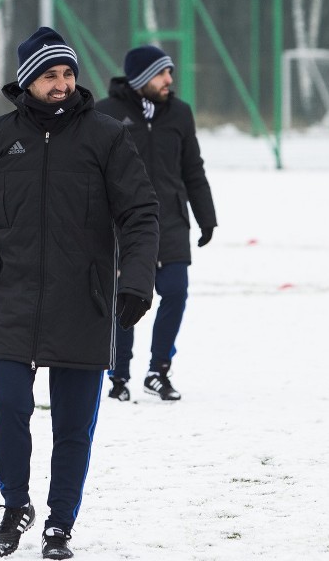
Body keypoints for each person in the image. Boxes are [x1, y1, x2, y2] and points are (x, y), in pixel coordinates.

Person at [0, 27, 159, 560]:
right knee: (9, 408)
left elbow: (139, 214)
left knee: (74, 423)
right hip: (11, 297)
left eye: (66, 74)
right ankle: (16, 506)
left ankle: (60, 523)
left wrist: (134, 281)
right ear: (27, 82)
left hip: (84, 299)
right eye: (48, 76)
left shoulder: (106, 136)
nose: (61, 85)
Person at [95, 45, 218, 402]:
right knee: (126, 298)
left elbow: (192, 169)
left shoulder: (180, 113)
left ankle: (158, 370)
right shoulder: (105, 114)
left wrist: (206, 217)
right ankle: (118, 375)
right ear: (140, 79)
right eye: (162, 74)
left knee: (176, 292)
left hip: (172, 222)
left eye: (170, 73)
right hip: (124, 227)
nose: (170, 80)